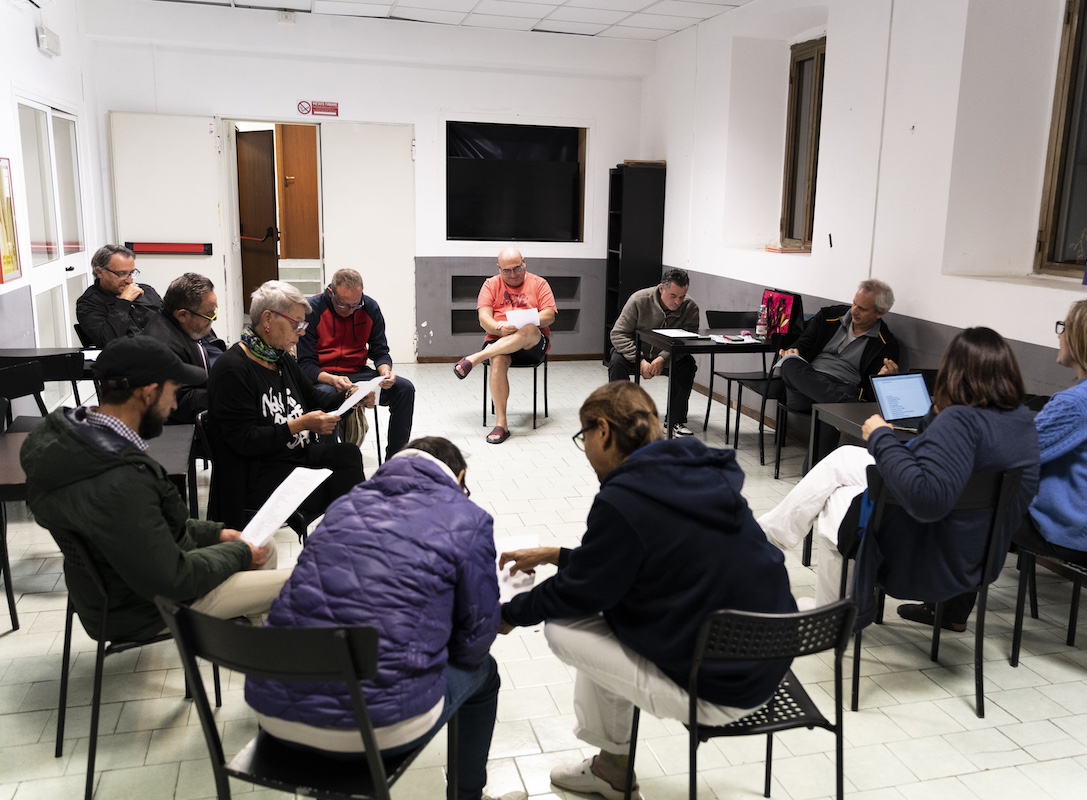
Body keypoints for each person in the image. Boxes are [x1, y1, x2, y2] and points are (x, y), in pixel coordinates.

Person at [498, 382, 797, 800]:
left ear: (603, 431)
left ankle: (611, 769)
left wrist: (509, 615)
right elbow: (638, 556)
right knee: (608, 613)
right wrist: (558, 555)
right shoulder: (696, 470)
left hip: (722, 687)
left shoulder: (625, 498)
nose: (585, 449)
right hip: (769, 659)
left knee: (567, 626)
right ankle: (611, 767)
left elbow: (582, 591)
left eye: (584, 436)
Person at [243, 437, 525, 800]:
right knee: (484, 672)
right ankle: (466, 795)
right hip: (374, 728)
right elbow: (474, 642)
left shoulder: (343, 507)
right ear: (459, 477)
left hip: (273, 712)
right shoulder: (468, 520)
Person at [896, 299, 1087, 630]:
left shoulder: (1079, 402)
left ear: (1082, 339)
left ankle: (946, 610)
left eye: (1064, 328)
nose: (1059, 335)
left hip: (1078, 536)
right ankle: (948, 606)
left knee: (972, 503)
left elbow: (1012, 454)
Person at [758, 327, 1040, 631]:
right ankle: (772, 531)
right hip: (978, 554)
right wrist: (934, 414)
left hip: (923, 553)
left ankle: (832, 615)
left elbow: (924, 497)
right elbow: (936, 462)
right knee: (844, 458)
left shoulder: (958, 421)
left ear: (952, 373)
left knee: (837, 502)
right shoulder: (1023, 424)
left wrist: (881, 437)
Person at [20, 336, 290, 642]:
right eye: (173, 393)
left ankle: (254, 644)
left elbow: (147, 525)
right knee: (299, 584)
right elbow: (173, 577)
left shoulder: (77, 444)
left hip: (111, 592)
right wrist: (239, 553)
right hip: (145, 609)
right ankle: (259, 651)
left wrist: (215, 534)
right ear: (148, 393)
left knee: (264, 546)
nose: (174, 405)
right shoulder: (119, 479)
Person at [206, 280, 365, 529]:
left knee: (347, 454)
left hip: (293, 457)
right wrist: (300, 425)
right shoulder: (233, 369)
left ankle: (351, 535)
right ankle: (352, 536)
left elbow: (315, 399)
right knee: (342, 487)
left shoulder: (280, 358)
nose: (301, 332)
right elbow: (245, 441)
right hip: (259, 471)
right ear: (267, 319)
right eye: (296, 324)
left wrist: (351, 398)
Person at [297, 268, 417, 460]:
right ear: (331, 293)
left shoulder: (370, 307)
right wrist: (332, 380)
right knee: (325, 397)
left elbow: (380, 351)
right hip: (325, 377)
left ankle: (395, 460)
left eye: (356, 305)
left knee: (405, 389)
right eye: (344, 305)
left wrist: (385, 371)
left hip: (358, 373)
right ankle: (331, 462)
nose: (350, 311)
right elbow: (305, 365)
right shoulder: (312, 310)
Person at [452, 248, 557, 444]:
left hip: (532, 344)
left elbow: (549, 315)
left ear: (524, 262)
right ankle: (501, 424)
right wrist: (498, 328)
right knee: (498, 360)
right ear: (499, 268)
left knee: (529, 329)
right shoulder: (490, 284)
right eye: (507, 271)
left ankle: (476, 358)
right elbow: (484, 319)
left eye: (517, 268)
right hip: (500, 339)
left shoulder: (539, 283)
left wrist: (526, 321)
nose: (513, 274)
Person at [777, 278, 900, 410]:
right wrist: (794, 350)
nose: (854, 311)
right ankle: (844, 405)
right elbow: (803, 343)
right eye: (854, 303)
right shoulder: (828, 316)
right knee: (789, 363)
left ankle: (838, 405)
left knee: (819, 397)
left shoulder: (885, 345)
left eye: (862, 309)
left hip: (843, 386)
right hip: (810, 377)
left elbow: (871, 393)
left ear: (879, 313)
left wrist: (883, 381)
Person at [608, 268, 701, 437]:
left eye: (682, 296)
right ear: (661, 288)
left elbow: (687, 342)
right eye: (673, 296)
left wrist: (663, 358)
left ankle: (674, 422)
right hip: (636, 353)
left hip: (667, 356)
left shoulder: (690, 307)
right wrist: (639, 359)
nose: (678, 302)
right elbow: (618, 333)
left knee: (687, 365)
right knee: (616, 362)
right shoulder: (639, 300)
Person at [140, 272, 226, 425]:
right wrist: (228, 392)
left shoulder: (193, 324)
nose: (214, 318)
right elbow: (181, 403)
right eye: (209, 314)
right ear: (182, 315)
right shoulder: (162, 349)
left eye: (215, 311)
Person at [76, 244, 164, 347]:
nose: (129, 280)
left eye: (131, 273)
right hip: (129, 354)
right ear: (100, 272)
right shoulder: (88, 303)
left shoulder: (147, 291)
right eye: (121, 274)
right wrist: (124, 302)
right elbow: (108, 341)